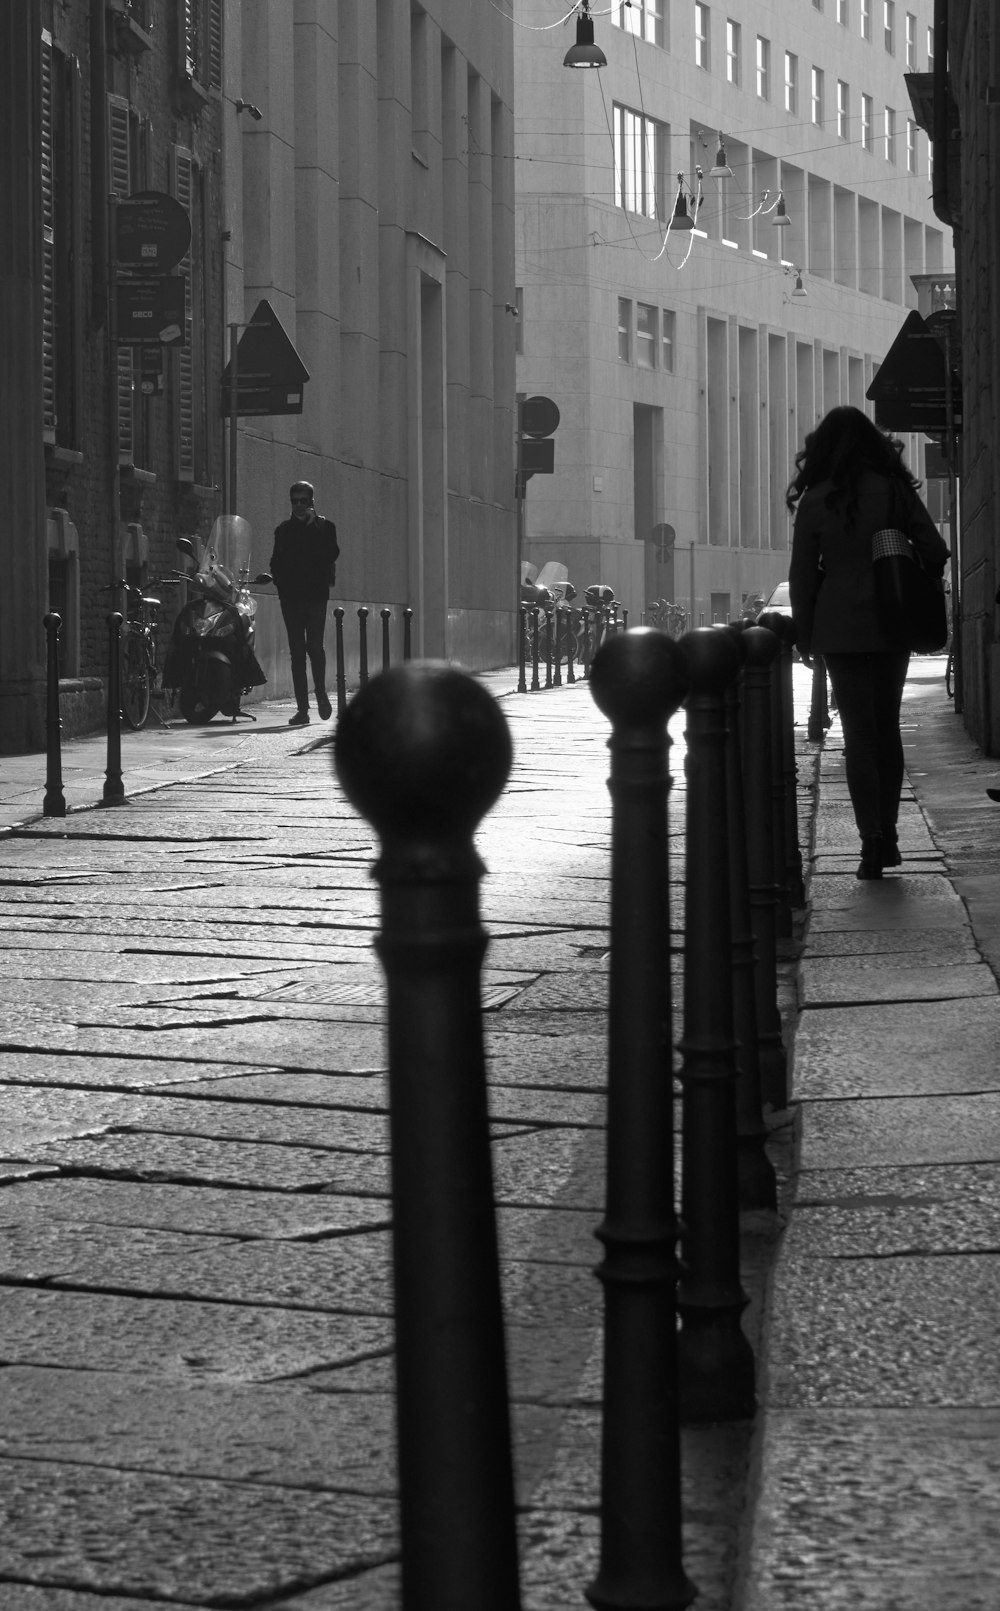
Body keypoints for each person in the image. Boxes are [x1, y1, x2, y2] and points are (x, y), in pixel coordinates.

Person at [787, 406, 949, 879]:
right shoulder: (893, 490)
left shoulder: (817, 498)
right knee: (886, 729)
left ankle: (870, 840)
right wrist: (910, 574)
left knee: (857, 733)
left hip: (839, 625)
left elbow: (801, 577)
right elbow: (935, 549)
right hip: (892, 619)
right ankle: (891, 832)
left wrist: (806, 633)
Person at [269, 482, 340, 726]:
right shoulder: (284, 530)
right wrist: (282, 589)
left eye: (303, 500)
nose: (298, 504)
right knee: (297, 653)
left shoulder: (324, 527)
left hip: (316, 597)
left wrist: (313, 527)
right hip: (291, 600)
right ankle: (302, 709)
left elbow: (331, 554)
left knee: (315, 648)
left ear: (311, 502)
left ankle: (320, 694)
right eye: (294, 500)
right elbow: (275, 563)